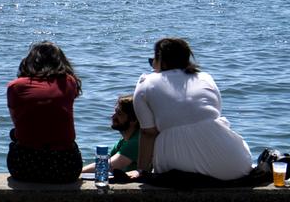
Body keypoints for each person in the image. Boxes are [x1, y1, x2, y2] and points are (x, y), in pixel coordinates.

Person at [129, 38, 251, 181]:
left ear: (162, 60)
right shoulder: (205, 78)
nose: (152, 67)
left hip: (177, 167)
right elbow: (214, 114)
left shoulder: (146, 83)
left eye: (152, 61)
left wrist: (141, 171)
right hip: (234, 166)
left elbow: (148, 133)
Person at [6, 41, 82, 183]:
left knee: (14, 134)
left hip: (24, 167)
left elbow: (18, 123)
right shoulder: (69, 82)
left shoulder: (15, 86)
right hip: (67, 167)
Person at [81, 95, 140, 174]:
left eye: (119, 114)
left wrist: (77, 173)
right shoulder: (123, 142)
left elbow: (106, 166)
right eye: (115, 112)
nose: (113, 116)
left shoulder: (136, 142)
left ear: (133, 120)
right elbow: (105, 162)